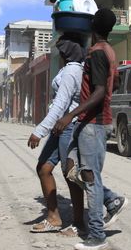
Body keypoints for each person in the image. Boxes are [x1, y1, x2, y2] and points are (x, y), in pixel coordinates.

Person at [54, 8, 128, 250]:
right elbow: (114, 82)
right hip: (91, 122)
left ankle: (97, 235)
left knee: (89, 177)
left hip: (92, 124)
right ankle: (112, 199)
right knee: (71, 169)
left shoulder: (96, 53)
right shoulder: (109, 51)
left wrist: (70, 115)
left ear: (92, 26)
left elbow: (98, 91)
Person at [27, 35, 86, 235]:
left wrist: (39, 131)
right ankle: (53, 217)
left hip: (67, 127)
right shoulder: (69, 69)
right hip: (58, 128)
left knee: (70, 175)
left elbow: (61, 105)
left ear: (65, 54)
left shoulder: (71, 71)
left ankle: (79, 223)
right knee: (44, 168)